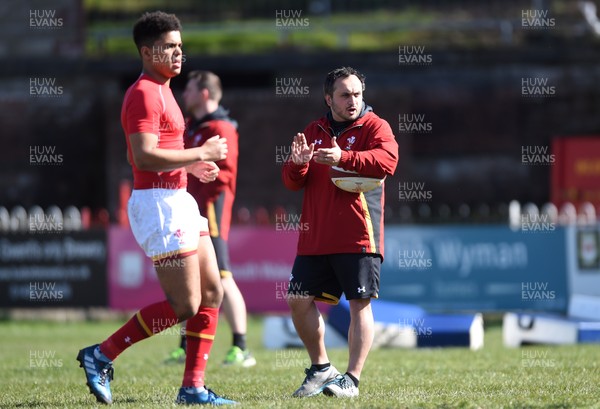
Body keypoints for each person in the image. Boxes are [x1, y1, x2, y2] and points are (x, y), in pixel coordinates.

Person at [76, 11, 237, 406]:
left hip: (179, 199)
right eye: (170, 46)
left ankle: (192, 388)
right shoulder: (144, 93)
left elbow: (163, 150)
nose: (179, 53)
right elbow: (144, 157)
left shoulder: (165, 89)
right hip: (158, 204)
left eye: (180, 46)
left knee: (213, 290)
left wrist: (191, 164)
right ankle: (101, 354)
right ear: (147, 52)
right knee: (185, 305)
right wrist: (201, 150)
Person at [281, 66, 398, 398]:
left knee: (359, 303)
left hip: (358, 234)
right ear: (328, 98)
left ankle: (352, 380)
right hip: (316, 235)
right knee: (298, 300)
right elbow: (291, 182)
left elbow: (388, 161)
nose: (353, 101)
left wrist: (343, 156)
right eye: (345, 95)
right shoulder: (313, 129)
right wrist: (298, 161)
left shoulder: (375, 125)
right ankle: (321, 369)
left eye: (358, 94)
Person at [165, 70, 255, 367]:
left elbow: (220, 172)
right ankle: (184, 346)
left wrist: (191, 160)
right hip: (190, 210)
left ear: (204, 94)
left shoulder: (221, 128)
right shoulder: (193, 126)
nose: (184, 95)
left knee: (223, 276)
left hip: (211, 211)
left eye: (189, 90)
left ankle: (241, 347)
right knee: (191, 277)